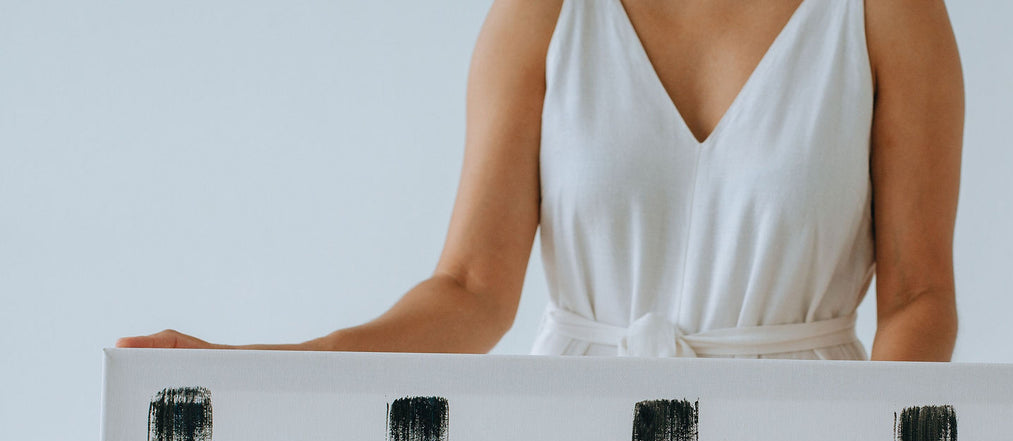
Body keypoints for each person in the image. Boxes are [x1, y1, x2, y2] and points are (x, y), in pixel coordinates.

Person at [115, 0, 963, 361]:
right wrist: (286, 374)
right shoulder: (544, 12)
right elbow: (471, 289)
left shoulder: (883, 11)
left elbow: (920, 295)